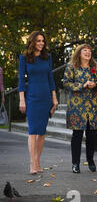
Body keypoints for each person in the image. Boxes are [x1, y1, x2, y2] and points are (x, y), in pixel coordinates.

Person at [18, 31, 58, 175]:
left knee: (41, 132)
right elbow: (21, 81)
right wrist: (22, 100)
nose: (41, 43)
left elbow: (50, 78)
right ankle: (32, 163)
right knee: (33, 131)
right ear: (32, 42)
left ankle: (38, 162)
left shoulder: (47, 57)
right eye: (38, 40)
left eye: (43, 41)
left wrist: (54, 98)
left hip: (46, 97)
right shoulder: (24, 58)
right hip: (32, 98)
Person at [63, 44, 97, 173]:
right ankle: (75, 163)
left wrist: (96, 84)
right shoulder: (71, 67)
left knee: (92, 135)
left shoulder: (96, 67)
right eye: (84, 51)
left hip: (94, 106)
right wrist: (82, 85)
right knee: (77, 135)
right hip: (77, 106)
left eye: (89, 51)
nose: (88, 53)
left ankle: (90, 160)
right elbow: (66, 83)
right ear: (79, 53)